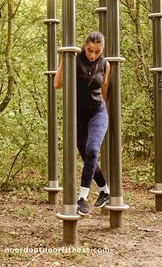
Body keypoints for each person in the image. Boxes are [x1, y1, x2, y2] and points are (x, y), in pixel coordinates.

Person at [54, 31, 110, 216]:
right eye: (90, 50)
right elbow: (57, 84)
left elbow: (103, 89)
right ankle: (105, 190)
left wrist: (106, 114)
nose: (93, 55)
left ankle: (82, 198)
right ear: (84, 46)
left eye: (97, 51)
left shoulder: (105, 64)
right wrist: (63, 61)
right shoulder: (74, 58)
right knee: (87, 157)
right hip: (77, 115)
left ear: (102, 50)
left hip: (97, 113)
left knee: (92, 150)